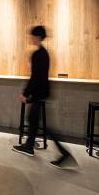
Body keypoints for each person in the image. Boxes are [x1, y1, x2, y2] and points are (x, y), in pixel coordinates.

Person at [12, 25, 70, 167]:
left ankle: (63, 152)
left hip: (38, 92)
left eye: (32, 36)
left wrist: (26, 93)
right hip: (42, 91)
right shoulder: (44, 53)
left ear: (37, 37)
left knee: (42, 125)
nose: (30, 38)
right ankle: (29, 146)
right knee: (33, 119)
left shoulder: (38, 54)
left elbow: (35, 76)